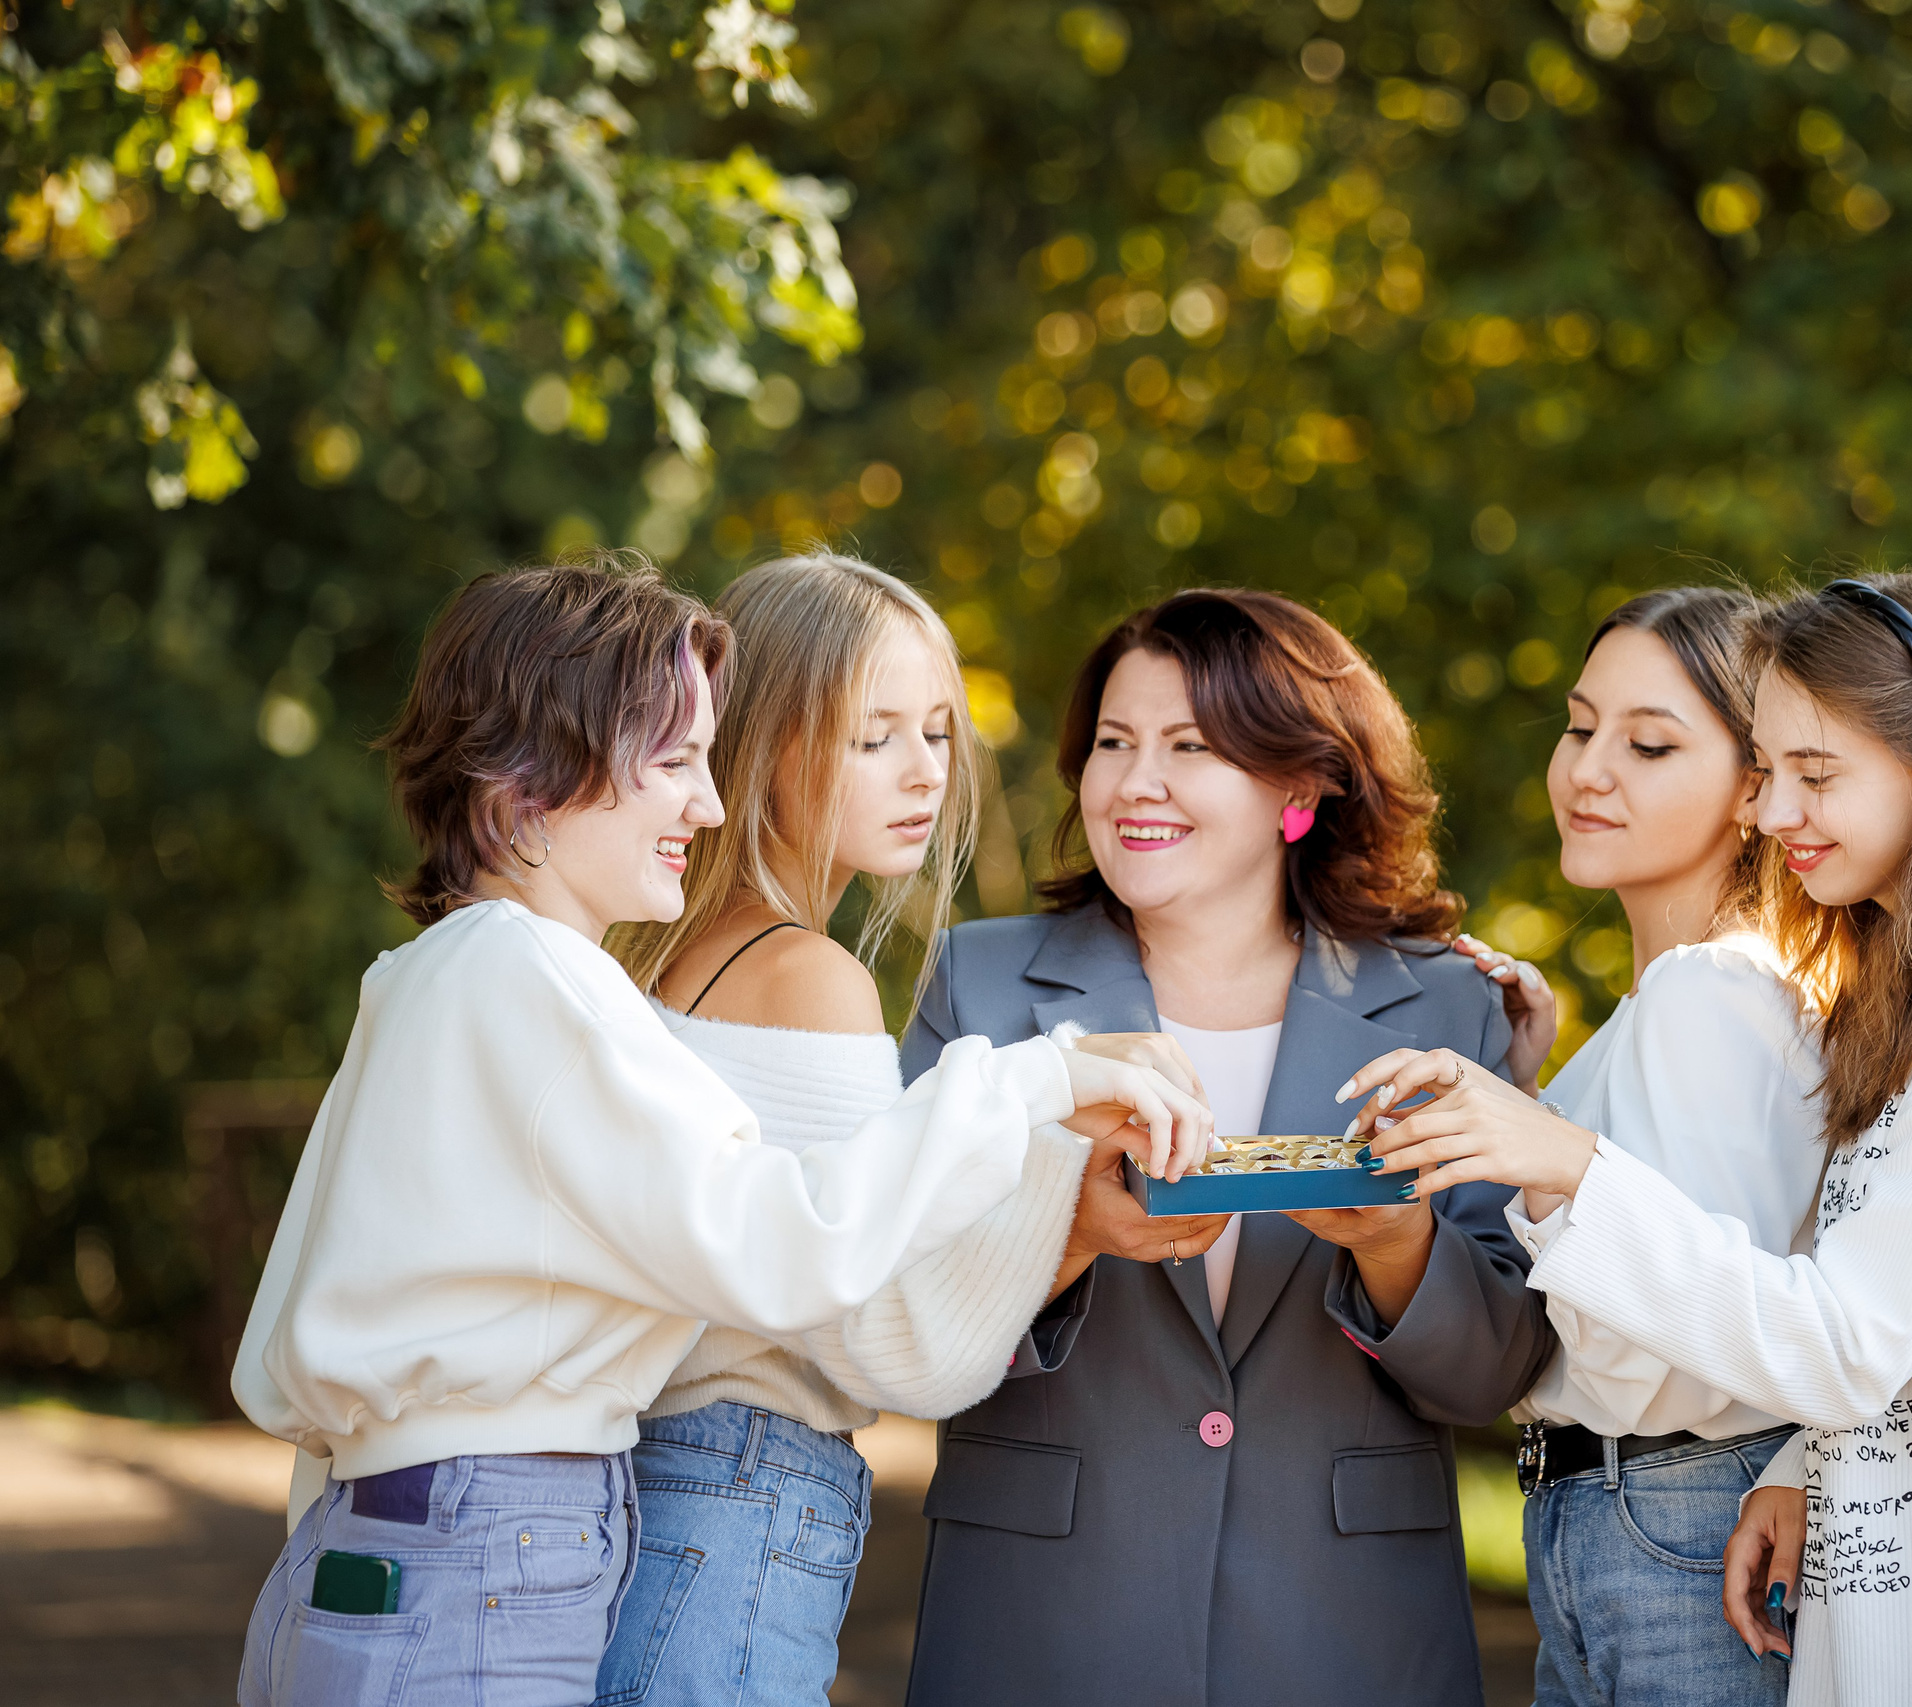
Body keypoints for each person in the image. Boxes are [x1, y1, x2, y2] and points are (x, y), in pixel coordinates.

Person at [231, 559, 1207, 1707]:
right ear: (533, 780)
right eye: (674, 762)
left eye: (939, 732)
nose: (705, 800)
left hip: (421, 1520)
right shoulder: (561, 979)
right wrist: (1049, 1110)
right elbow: (806, 1260)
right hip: (576, 1514)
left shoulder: (457, 973)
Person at [1343, 573, 1912, 1706]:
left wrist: (1564, 1161)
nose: (1772, 812)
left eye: (1817, 774)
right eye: (1769, 770)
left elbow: (1847, 1340)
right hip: (1906, 1590)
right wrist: (1800, 1462)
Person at [899, 589, 1557, 1707]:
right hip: (1045, 1621)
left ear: (1300, 784)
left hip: (1345, 1633)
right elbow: (895, 1316)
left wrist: (1396, 1248)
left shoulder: (1448, 1004)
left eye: (1190, 746)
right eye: (1114, 743)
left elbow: (1498, 1373)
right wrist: (1066, 1237)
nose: (1134, 782)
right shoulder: (977, 983)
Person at [594, 553, 1119, 1705]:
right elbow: (890, 1339)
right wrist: (1075, 1200)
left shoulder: (664, 950)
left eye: (936, 732)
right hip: (741, 1483)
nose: (925, 771)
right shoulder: (803, 975)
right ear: (767, 745)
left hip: (660, 1487)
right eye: (873, 736)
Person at [1453, 588, 1825, 1707]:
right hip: (1638, 1520)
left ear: (1755, 788)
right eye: (1580, 727)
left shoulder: (1707, 990)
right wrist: (1534, 1087)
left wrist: (1538, 1154)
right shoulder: (1686, 996)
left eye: (1649, 744)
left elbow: (1651, 1353)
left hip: (1675, 1525)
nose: (1588, 769)